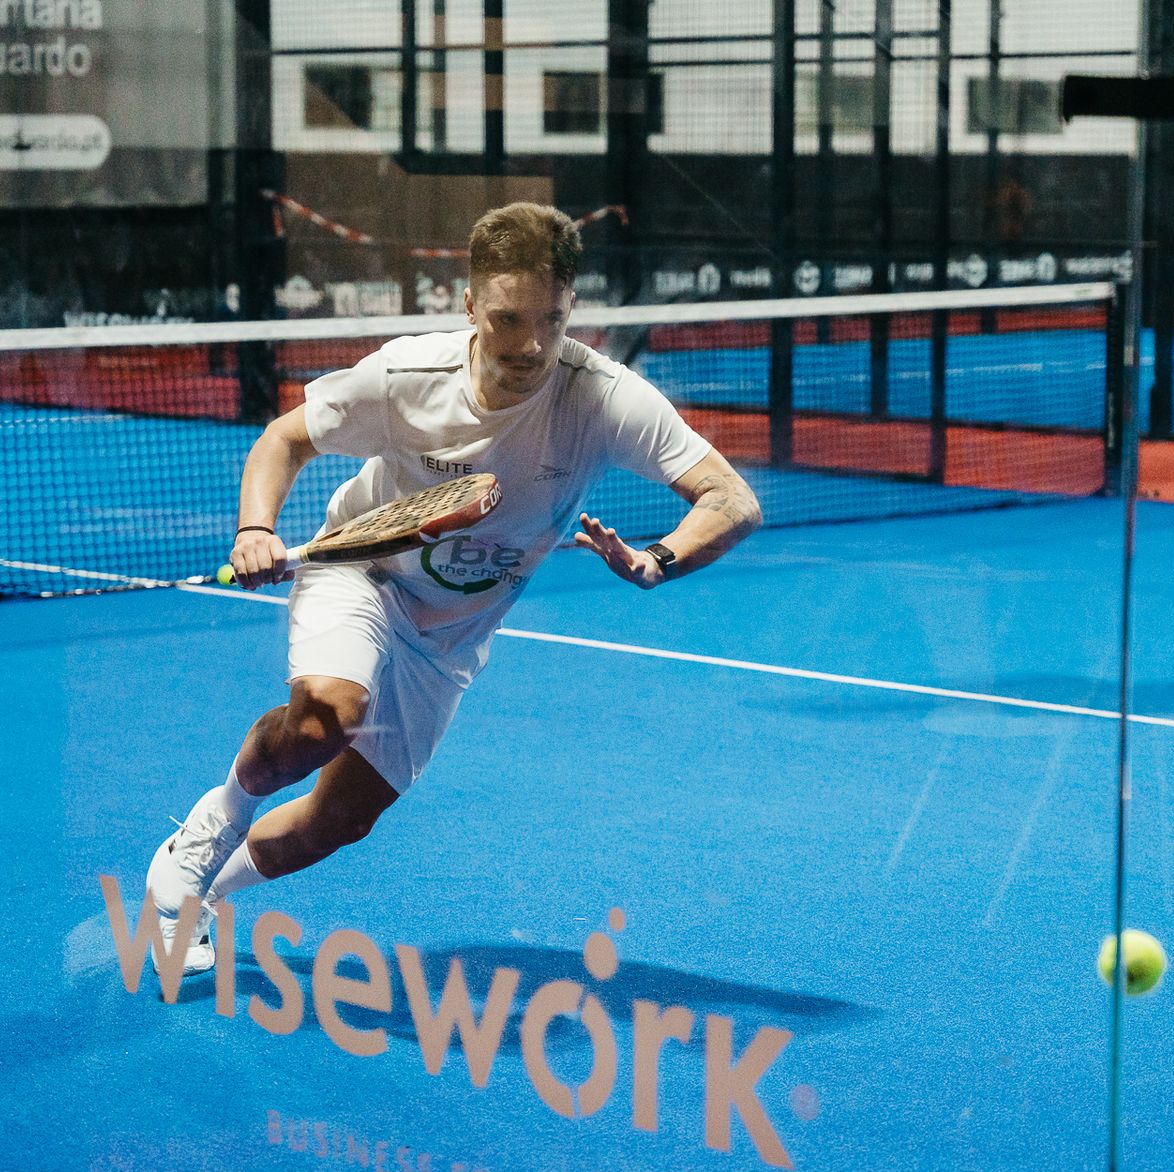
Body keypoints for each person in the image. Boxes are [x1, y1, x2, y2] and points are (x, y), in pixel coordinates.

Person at [143, 203, 762, 970]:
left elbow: (732, 500)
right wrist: (255, 529)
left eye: (552, 319)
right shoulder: (408, 377)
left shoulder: (601, 398)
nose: (530, 344)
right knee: (328, 716)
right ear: (469, 305)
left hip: (453, 636)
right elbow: (285, 439)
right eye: (507, 319)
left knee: (337, 821)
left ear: (572, 307)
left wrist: (656, 560)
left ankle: (202, 899)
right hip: (362, 570)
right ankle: (211, 824)